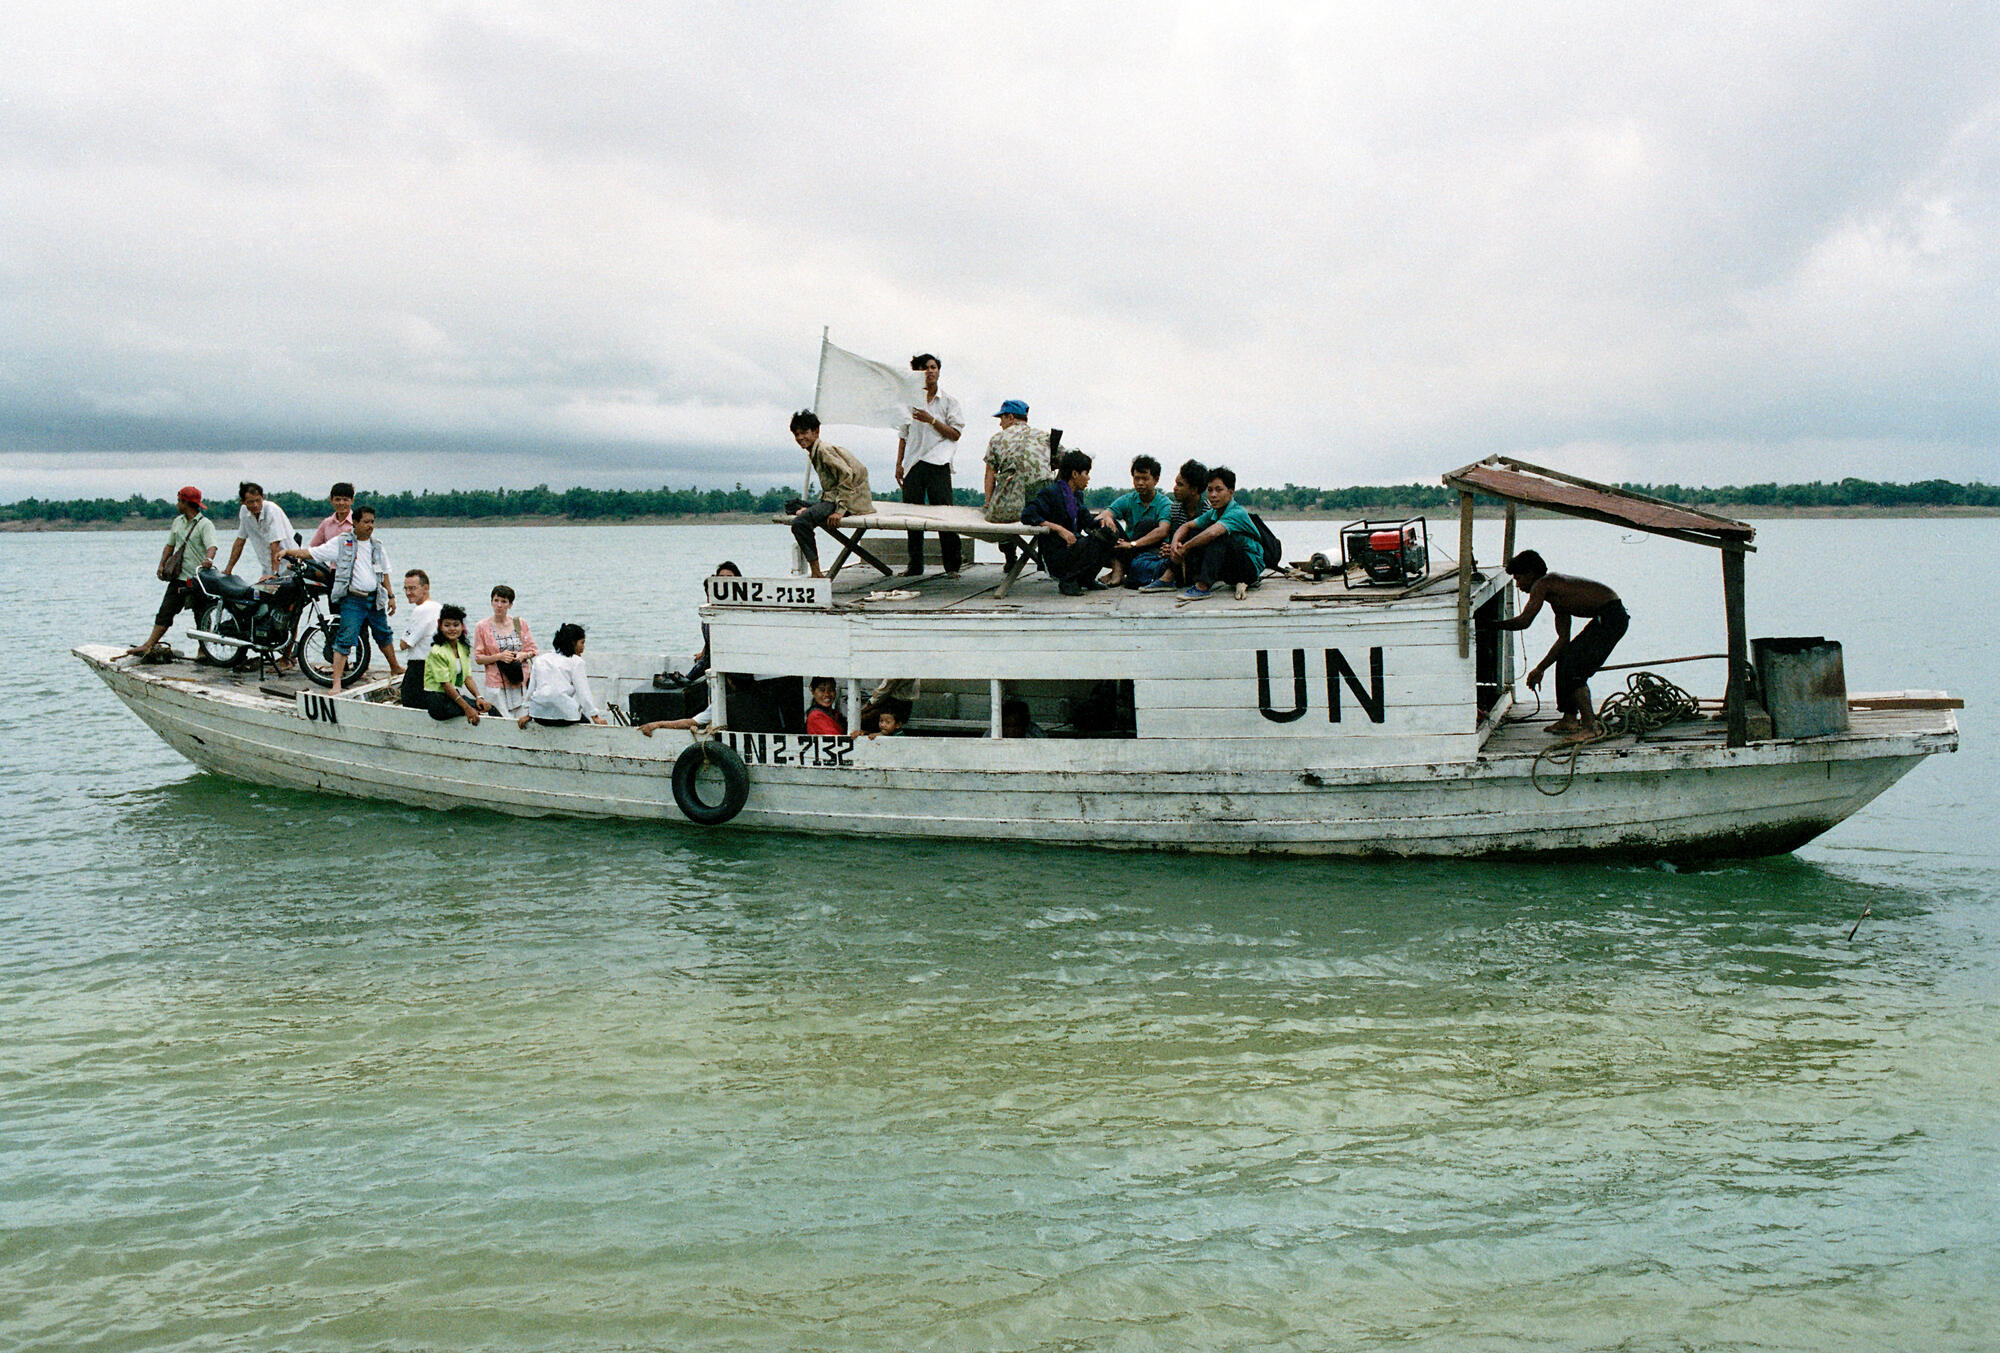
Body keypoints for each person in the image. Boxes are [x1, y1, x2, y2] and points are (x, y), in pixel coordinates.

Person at [1490, 549, 1629, 737]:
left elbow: (1524, 621)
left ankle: (1590, 727)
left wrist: (1491, 625)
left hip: (1611, 617)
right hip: (1606, 616)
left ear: (1530, 574)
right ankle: (1569, 719)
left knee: (1575, 670)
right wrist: (1540, 669)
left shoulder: (1543, 583)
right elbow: (1563, 641)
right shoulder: (1558, 598)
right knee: (1565, 658)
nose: (1518, 585)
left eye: (1518, 578)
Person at [282, 504, 405, 692]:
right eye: (366, 522)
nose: (370, 526)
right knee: (345, 638)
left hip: (374, 599)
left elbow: (385, 573)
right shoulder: (342, 542)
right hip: (353, 600)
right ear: (355, 522)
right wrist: (288, 552)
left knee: (383, 634)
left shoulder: (377, 546)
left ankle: (395, 668)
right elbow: (312, 552)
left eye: (372, 522)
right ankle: (337, 681)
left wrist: (390, 596)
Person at [120, 485, 218, 661]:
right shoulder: (178, 522)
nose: (177, 503)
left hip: (198, 579)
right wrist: (162, 564)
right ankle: (149, 644)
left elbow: (212, 546)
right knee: (165, 611)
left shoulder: (205, 524)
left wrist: (208, 560)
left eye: (179, 500)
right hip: (179, 578)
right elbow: (170, 546)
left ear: (185, 502)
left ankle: (204, 651)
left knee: (202, 616)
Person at [895, 353, 964, 578]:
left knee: (945, 516)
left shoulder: (948, 401)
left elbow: (955, 434)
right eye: (925, 368)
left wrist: (931, 420)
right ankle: (915, 565)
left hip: (938, 461)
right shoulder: (909, 402)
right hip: (913, 462)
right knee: (912, 517)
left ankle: (952, 566)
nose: (930, 371)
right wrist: (899, 464)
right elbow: (903, 435)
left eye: (934, 367)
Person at [786, 411, 874, 579]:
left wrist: (840, 511)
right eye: (796, 434)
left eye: (804, 432)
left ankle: (817, 573)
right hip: (832, 498)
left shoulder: (824, 451)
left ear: (816, 431)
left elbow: (847, 475)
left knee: (800, 524)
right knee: (792, 505)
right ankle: (805, 511)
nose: (800, 437)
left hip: (847, 501)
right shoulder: (815, 451)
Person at [1021, 450, 1116, 596]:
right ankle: (1067, 581)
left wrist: (1104, 521)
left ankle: (1086, 579)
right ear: (1075, 474)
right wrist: (1058, 529)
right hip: (1056, 553)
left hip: (1074, 547)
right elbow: (1028, 514)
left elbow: (1088, 522)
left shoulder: (1076, 495)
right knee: (1091, 542)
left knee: (1110, 532)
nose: (1088, 478)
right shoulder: (1051, 493)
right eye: (1086, 473)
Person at [1166, 466, 1265, 601]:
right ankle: (1168, 578)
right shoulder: (1214, 512)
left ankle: (1202, 587)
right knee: (1194, 531)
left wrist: (1185, 548)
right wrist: (1174, 544)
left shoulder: (1237, 512)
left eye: (1219, 490)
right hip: (1229, 571)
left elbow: (1212, 533)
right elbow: (1187, 525)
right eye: (1210, 490)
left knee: (1218, 536)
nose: (1213, 495)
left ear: (1230, 492)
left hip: (1249, 569)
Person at [1096, 455, 1173, 588]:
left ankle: (1120, 569)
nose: (1140, 483)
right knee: (1102, 523)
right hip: (1125, 548)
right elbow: (1104, 514)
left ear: (1156, 480)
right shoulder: (1128, 499)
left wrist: (1133, 544)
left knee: (1147, 524)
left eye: (1145, 479)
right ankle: (1118, 566)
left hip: (1150, 549)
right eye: (1137, 478)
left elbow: (1163, 530)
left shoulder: (1164, 504)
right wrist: (1107, 517)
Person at [1140, 459, 1210, 592]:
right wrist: (1169, 547)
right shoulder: (1176, 509)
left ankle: (1169, 578)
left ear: (1194, 489)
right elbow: (1172, 536)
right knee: (1147, 525)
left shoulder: (1207, 511)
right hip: (1178, 556)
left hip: (1197, 557)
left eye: (1180, 485)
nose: (1175, 488)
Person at [982, 399, 1050, 532]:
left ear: (1011, 417)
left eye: (1001, 418)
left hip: (1008, 511)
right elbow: (1065, 461)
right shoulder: (1045, 437)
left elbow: (989, 475)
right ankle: (1038, 552)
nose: (1000, 423)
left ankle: (1008, 550)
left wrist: (988, 503)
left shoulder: (996, 439)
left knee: (994, 520)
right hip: (1042, 509)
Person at [520, 623, 608, 727]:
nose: (583, 648)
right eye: (582, 643)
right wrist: (595, 716)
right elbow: (583, 692)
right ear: (573, 643)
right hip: (564, 717)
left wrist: (529, 713)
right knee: (586, 724)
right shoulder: (576, 662)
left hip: (539, 716)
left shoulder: (541, 659)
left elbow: (532, 689)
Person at [474, 584, 537, 718]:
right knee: (500, 720)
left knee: (522, 720)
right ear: (491, 602)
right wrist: (499, 657)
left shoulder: (519, 623)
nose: (499, 605)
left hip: (519, 681)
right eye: (496, 601)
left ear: (510, 604)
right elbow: (479, 658)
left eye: (504, 601)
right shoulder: (482, 626)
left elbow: (533, 650)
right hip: (496, 683)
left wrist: (523, 655)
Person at [422, 604, 491, 723]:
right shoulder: (437, 651)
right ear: (440, 627)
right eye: (447, 625)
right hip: (437, 700)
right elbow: (445, 684)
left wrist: (479, 697)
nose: (452, 629)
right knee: (475, 711)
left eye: (456, 625)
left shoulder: (463, 648)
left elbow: (467, 678)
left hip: (451, 696)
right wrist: (467, 708)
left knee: (488, 708)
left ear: (462, 626)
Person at [224, 481, 294, 579]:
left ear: (263, 497)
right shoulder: (244, 512)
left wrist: (275, 574)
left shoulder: (271, 510)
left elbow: (275, 545)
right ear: (243, 502)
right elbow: (240, 541)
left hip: (289, 564)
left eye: (258, 500)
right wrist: (228, 569)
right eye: (251, 502)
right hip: (267, 566)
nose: (255, 505)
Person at [686, 560, 740, 682]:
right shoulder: (713, 606)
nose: (725, 581)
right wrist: (703, 651)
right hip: (712, 657)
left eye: (729, 577)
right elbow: (713, 635)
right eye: (721, 577)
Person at [396, 569, 440, 708]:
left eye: (412, 588)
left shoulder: (421, 610)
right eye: (406, 589)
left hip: (420, 667)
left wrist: (403, 641)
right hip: (437, 664)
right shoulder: (439, 607)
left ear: (426, 588)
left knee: (410, 702)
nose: (408, 593)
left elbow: (404, 644)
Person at [308, 481, 356, 547]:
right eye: (337, 499)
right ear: (331, 500)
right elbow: (313, 548)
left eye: (345, 500)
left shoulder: (358, 523)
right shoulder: (326, 524)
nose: (341, 503)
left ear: (352, 500)